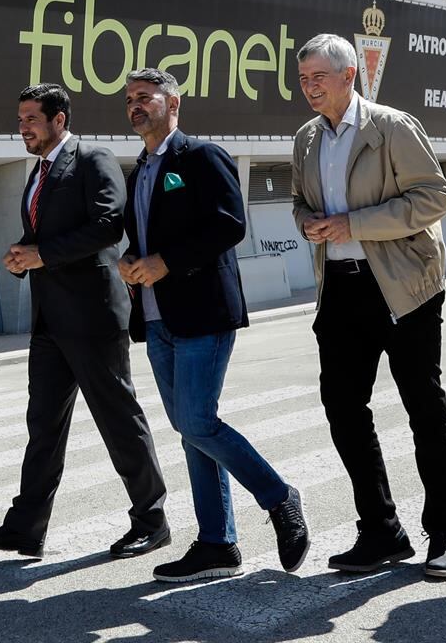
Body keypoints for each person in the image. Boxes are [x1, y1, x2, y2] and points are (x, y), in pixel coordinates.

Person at [116, 69, 309, 583]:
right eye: (129, 99)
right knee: (189, 431)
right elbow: (142, 240)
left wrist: (165, 262)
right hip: (156, 321)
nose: (135, 105)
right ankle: (217, 543)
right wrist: (132, 261)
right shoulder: (136, 172)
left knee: (198, 422)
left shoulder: (201, 156)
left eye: (144, 97)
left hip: (201, 313)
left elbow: (230, 223)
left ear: (172, 102)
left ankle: (279, 496)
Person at [291, 34, 446, 579]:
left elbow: (434, 196)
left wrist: (353, 225)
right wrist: (307, 224)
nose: (310, 87)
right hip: (339, 288)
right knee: (343, 409)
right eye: (303, 79)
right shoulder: (306, 138)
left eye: (320, 76)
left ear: (349, 76)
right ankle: (381, 530)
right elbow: (300, 201)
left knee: (424, 410)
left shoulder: (391, 125)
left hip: (403, 287)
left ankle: (445, 534)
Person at [0, 83, 169, 561]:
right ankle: (26, 527)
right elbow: (46, 232)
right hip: (48, 320)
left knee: (118, 418)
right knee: (42, 424)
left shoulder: (91, 159)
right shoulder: (37, 172)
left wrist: (42, 254)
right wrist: (24, 253)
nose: (23, 128)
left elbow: (108, 224)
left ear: (59, 119)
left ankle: (152, 520)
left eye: (31, 119)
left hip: (91, 315)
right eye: (20, 120)